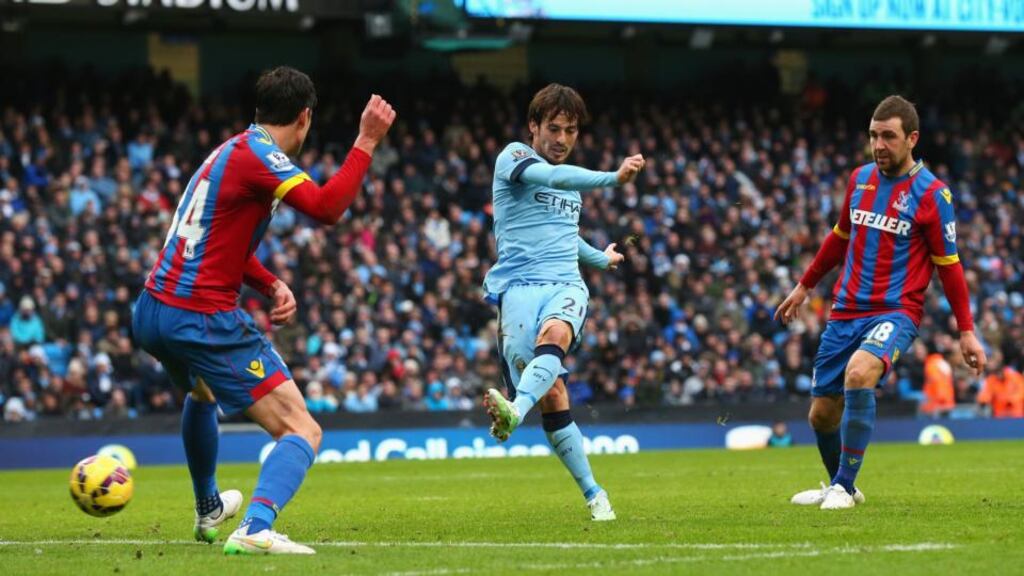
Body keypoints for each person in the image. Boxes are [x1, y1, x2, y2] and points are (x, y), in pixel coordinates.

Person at [132, 66, 395, 554]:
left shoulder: (230, 150)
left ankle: (209, 507)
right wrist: (366, 141)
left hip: (153, 310)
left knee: (203, 391)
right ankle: (255, 526)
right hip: (199, 315)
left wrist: (269, 282)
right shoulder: (261, 157)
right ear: (304, 118)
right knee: (302, 428)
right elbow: (326, 207)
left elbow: (215, 242)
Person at [775, 95, 986, 510]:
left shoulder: (932, 195)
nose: (878, 145)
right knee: (820, 416)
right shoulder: (860, 179)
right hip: (846, 310)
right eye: (873, 135)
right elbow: (839, 237)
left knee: (859, 373)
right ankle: (843, 485)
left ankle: (842, 488)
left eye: (888, 136)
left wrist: (966, 330)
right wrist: (804, 286)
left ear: (912, 139)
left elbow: (950, 266)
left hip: (896, 311)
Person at [481, 83, 644, 521]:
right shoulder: (514, 158)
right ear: (533, 126)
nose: (562, 139)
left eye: (570, 130)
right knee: (552, 394)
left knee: (555, 337)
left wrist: (601, 258)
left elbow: (566, 239)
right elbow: (551, 177)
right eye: (553, 128)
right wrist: (613, 178)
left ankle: (514, 409)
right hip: (517, 290)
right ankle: (594, 491)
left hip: (564, 285)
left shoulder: (571, 192)